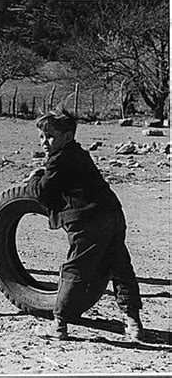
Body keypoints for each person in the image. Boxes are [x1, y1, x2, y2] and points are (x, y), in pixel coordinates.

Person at [26, 109, 144, 341]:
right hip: (113, 214)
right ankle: (133, 322)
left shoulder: (58, 159)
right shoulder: (80, 153)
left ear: (67, 137)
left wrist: (33, 178)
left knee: (75, 269)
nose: (44, 142)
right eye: (41, 137)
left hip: (88, 221)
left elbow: (43, 192)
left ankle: (58, 324)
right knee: (120, 266)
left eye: (50, 136)